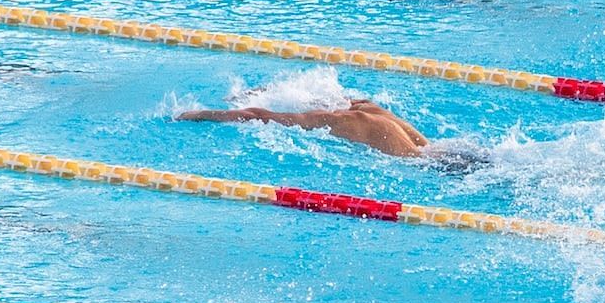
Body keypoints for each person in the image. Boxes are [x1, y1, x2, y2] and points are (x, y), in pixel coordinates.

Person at [178, 98, 488, 170]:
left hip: (430, 168)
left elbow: (258, 117)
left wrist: (201, 114)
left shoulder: (322, 119)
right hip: (450, 152)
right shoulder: (368, 107)